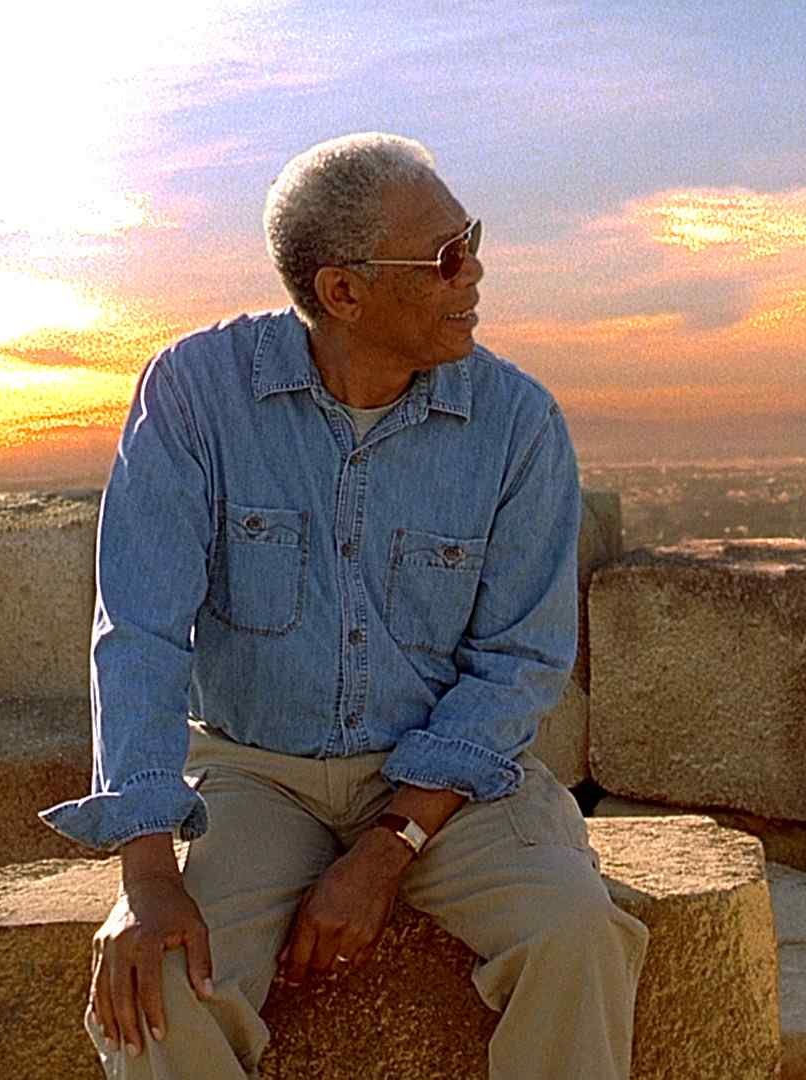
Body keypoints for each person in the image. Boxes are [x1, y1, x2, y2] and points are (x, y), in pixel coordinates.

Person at [40, 132, 648, 1079]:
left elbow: (520, 663)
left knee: (576, 934)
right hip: (252, 774)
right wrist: (147, 876)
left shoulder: (516, 424)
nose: (474, 272)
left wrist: (387, 849)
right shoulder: (197, 396)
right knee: (155, 985)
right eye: (446, 257)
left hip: (452, 788)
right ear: (343, 292)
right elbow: (141, 634)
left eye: (471, 240)